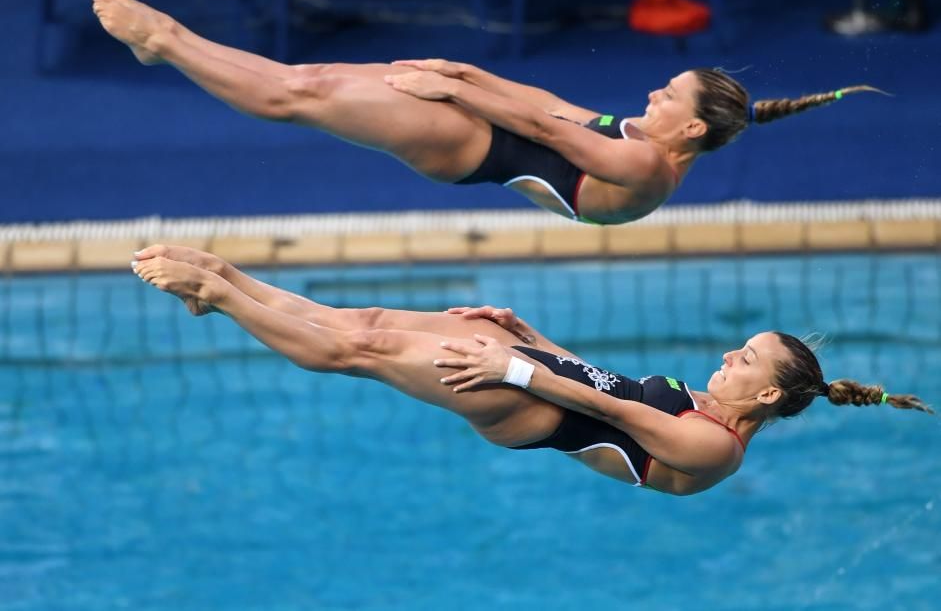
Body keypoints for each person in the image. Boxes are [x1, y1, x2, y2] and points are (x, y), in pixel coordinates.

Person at [130, 244, 933, 496]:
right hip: (544, 382)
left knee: (359, 355)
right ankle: (230, 283)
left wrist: (512, 369)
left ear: (762, 394)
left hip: (532, 413)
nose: (728, 353)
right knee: (367, 324)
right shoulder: (703, 404)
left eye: (743, 358)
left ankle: (218, 295)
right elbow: (609, 380)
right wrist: (531, 335)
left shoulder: (716, 448)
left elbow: (612, 414)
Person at [93, 0, 880, 225]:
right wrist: (462, 66)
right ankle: (169, 45)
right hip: (481, 126)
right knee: (312, 74)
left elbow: (540, 129)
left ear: (692, 129)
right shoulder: (644, 134)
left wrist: (455, 91)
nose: (649, 93)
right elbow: (546, 101)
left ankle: (162, 39)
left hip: (466, 150)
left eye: (665, 95)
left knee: (298, 98)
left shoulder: (644, 166)